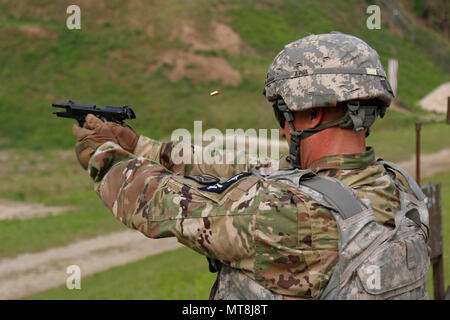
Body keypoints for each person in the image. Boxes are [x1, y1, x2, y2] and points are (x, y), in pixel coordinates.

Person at [71, 32, 430, 300]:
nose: (282, 127)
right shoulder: (398, 187)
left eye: (283, 114)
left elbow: (157, 201)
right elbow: (253, 171)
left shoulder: (285, 215)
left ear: (313, 111)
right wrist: (140, 146)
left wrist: (103, 154)